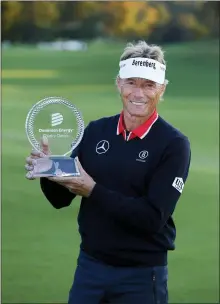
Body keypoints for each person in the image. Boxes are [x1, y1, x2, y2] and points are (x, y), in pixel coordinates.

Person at [25, 41, 191, 304]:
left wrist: (93, 190)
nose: (139, 93)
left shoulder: (174, 145)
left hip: (141, 277)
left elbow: (152, 218)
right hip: (90, 269)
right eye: (131, 82)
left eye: (149, 85)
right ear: (118, 84)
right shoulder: (95, 132)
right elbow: (60, 199)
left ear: (162, 88)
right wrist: (48, 169)